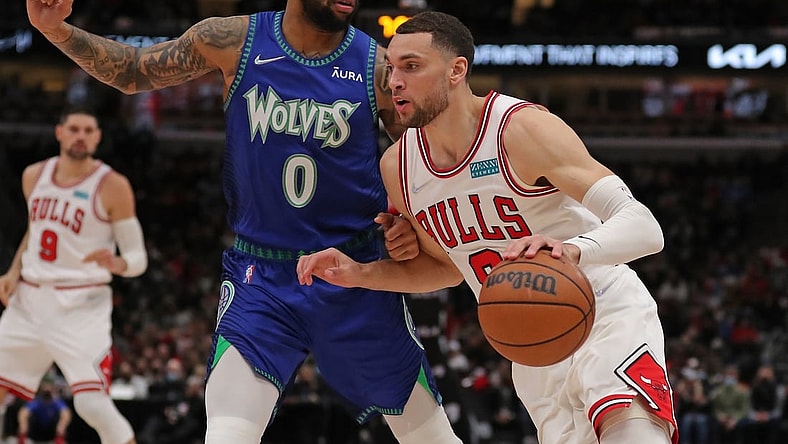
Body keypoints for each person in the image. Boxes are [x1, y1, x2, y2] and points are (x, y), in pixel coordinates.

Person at [26, 1, 462, 443]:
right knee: (227, 435)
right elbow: (133, 70)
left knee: (432, 439)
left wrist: (410, 222)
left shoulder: (376, 66)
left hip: (356, 273)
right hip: (262, 279)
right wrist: (56, 30)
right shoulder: (234, 39)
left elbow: (419, 164)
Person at [297, 11, 680, 444]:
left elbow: (645, 227)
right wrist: (358, 273)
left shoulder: (521, 129)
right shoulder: (399, 166)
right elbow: (447, 267)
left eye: (412, 66)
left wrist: (571, 250)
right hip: (530, 346)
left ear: (457, 70)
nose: (394, 82)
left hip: (604, 311)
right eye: (391, 70)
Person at [0, 106, 146, 444]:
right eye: (74, 129)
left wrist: (119, 263)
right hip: (30, 299)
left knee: (92, 405)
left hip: (82, 303)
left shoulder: (112, 185)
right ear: (60, 133)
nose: (81, 136)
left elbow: (138, 258)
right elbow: (35, 231)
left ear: (97, 138)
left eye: (88, 131)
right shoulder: (33, 175)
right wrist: (13, 270)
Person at [17, 378, 72, 444]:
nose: (47, 388)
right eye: (45, 386)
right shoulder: (37, 401)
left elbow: (66, 412)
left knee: (61, 424)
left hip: (51, 431)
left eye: (49, 386)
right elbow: (24, 412)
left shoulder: (56, 401)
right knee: (25, 422)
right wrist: (23, 424)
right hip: (36, 431)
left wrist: (62, 425)